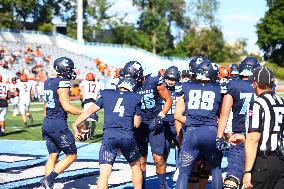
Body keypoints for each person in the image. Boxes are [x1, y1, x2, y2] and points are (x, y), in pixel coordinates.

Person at [72, 76, 143, 189]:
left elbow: (89, 111)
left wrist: (75, 124)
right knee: (135, 166)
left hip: (109, 137)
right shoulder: (136, 97)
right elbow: (136, 124)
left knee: (104, 172)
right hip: (127, 137)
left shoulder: (106, 94)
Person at [175, 57, 223, 189]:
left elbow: (177, 115)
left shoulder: (186, 86)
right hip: (210, 131)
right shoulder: (218, 89)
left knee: (183, 173)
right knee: (216, 169)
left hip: (192, 132)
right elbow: (222, 113)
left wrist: (192, 120)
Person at [124, 61, 173, 189]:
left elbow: (168, 100)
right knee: (141, 159)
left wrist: (161, 116)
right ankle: (142, 186)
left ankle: (163, 185)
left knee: (158, 158)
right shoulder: (130, 86)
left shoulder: (153, 81)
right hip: (139, 125)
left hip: (155, 123)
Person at [216, 56, 260, 189]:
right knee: (253, 179)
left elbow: (224, 114)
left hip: (238, 135)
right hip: (257, 135)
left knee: (232, 179)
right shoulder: (260, 86)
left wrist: (219, 137)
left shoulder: (233, 85)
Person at [40, 57, 82, 189]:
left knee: (53, 155)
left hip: (47, 122)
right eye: (70, 69)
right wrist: (86, 112)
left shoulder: (48, 81)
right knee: (72, 155)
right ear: (65, 69)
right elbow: (67, 106)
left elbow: (45, 106)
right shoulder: (63, 82)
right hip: (57, 124)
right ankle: (49, 180)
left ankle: (48, 185)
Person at [243, 66, 284, 189]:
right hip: (280, 161)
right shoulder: (281, 101)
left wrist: (247, 172)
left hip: (264, 162)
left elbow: (253, 140)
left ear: (256, 83)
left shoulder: (258, 103)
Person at [79, 72, 101, 140]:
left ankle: (85, 133)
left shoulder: (84, 82)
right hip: (94, 102)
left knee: (85, 119)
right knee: (93, 120)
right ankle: (91, 134)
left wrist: (81, 101)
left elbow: (81, 94)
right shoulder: (98, 84)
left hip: (86, 102)